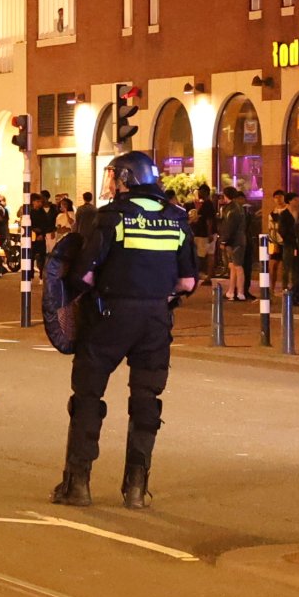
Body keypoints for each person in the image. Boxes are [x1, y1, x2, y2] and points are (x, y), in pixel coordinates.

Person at [51, 151, 195, 510]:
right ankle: (136, 488)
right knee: (146, 401)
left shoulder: (112, 217)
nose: (112, 184)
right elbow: (188, 282)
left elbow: (83, 274)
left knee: (87, 395)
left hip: (110, 317)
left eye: (115, 177)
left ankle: (77, 485)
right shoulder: (177, 219)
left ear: (126, 179)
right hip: (156, 320)